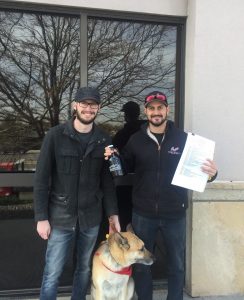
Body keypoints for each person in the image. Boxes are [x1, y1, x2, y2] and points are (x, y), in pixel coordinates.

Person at [104, 90, 218, 300]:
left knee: (176, 264)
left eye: (160, 108)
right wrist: (113, 156)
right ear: (146, 112)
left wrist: (211, 174)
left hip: (174, 213)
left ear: (167, 110)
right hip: (143, 214)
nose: (156, 112)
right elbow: (124, 166)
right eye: (152, 108)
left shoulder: (184, 140)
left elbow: (200, 170)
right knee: (141, 267)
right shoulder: (136, 140)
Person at [34, 86, 120, 300]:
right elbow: (41, 179)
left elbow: (107, 183)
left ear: (98, 108)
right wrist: (41, 217)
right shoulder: (55, 136)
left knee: (83, 269)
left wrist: (113, 215)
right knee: (52, 272)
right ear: (75, 106)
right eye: (84, 104)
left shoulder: (104, 139)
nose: (88, 109)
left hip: (90, 218)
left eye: (93, 105)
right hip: (60, 217)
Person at [112, 101, 145, 230]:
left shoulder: (122, 134)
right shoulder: (146, 132)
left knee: (125, 219)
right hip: (143, 186)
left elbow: (114, 157)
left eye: (125, 113)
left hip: (124, 184)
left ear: (127, 115)